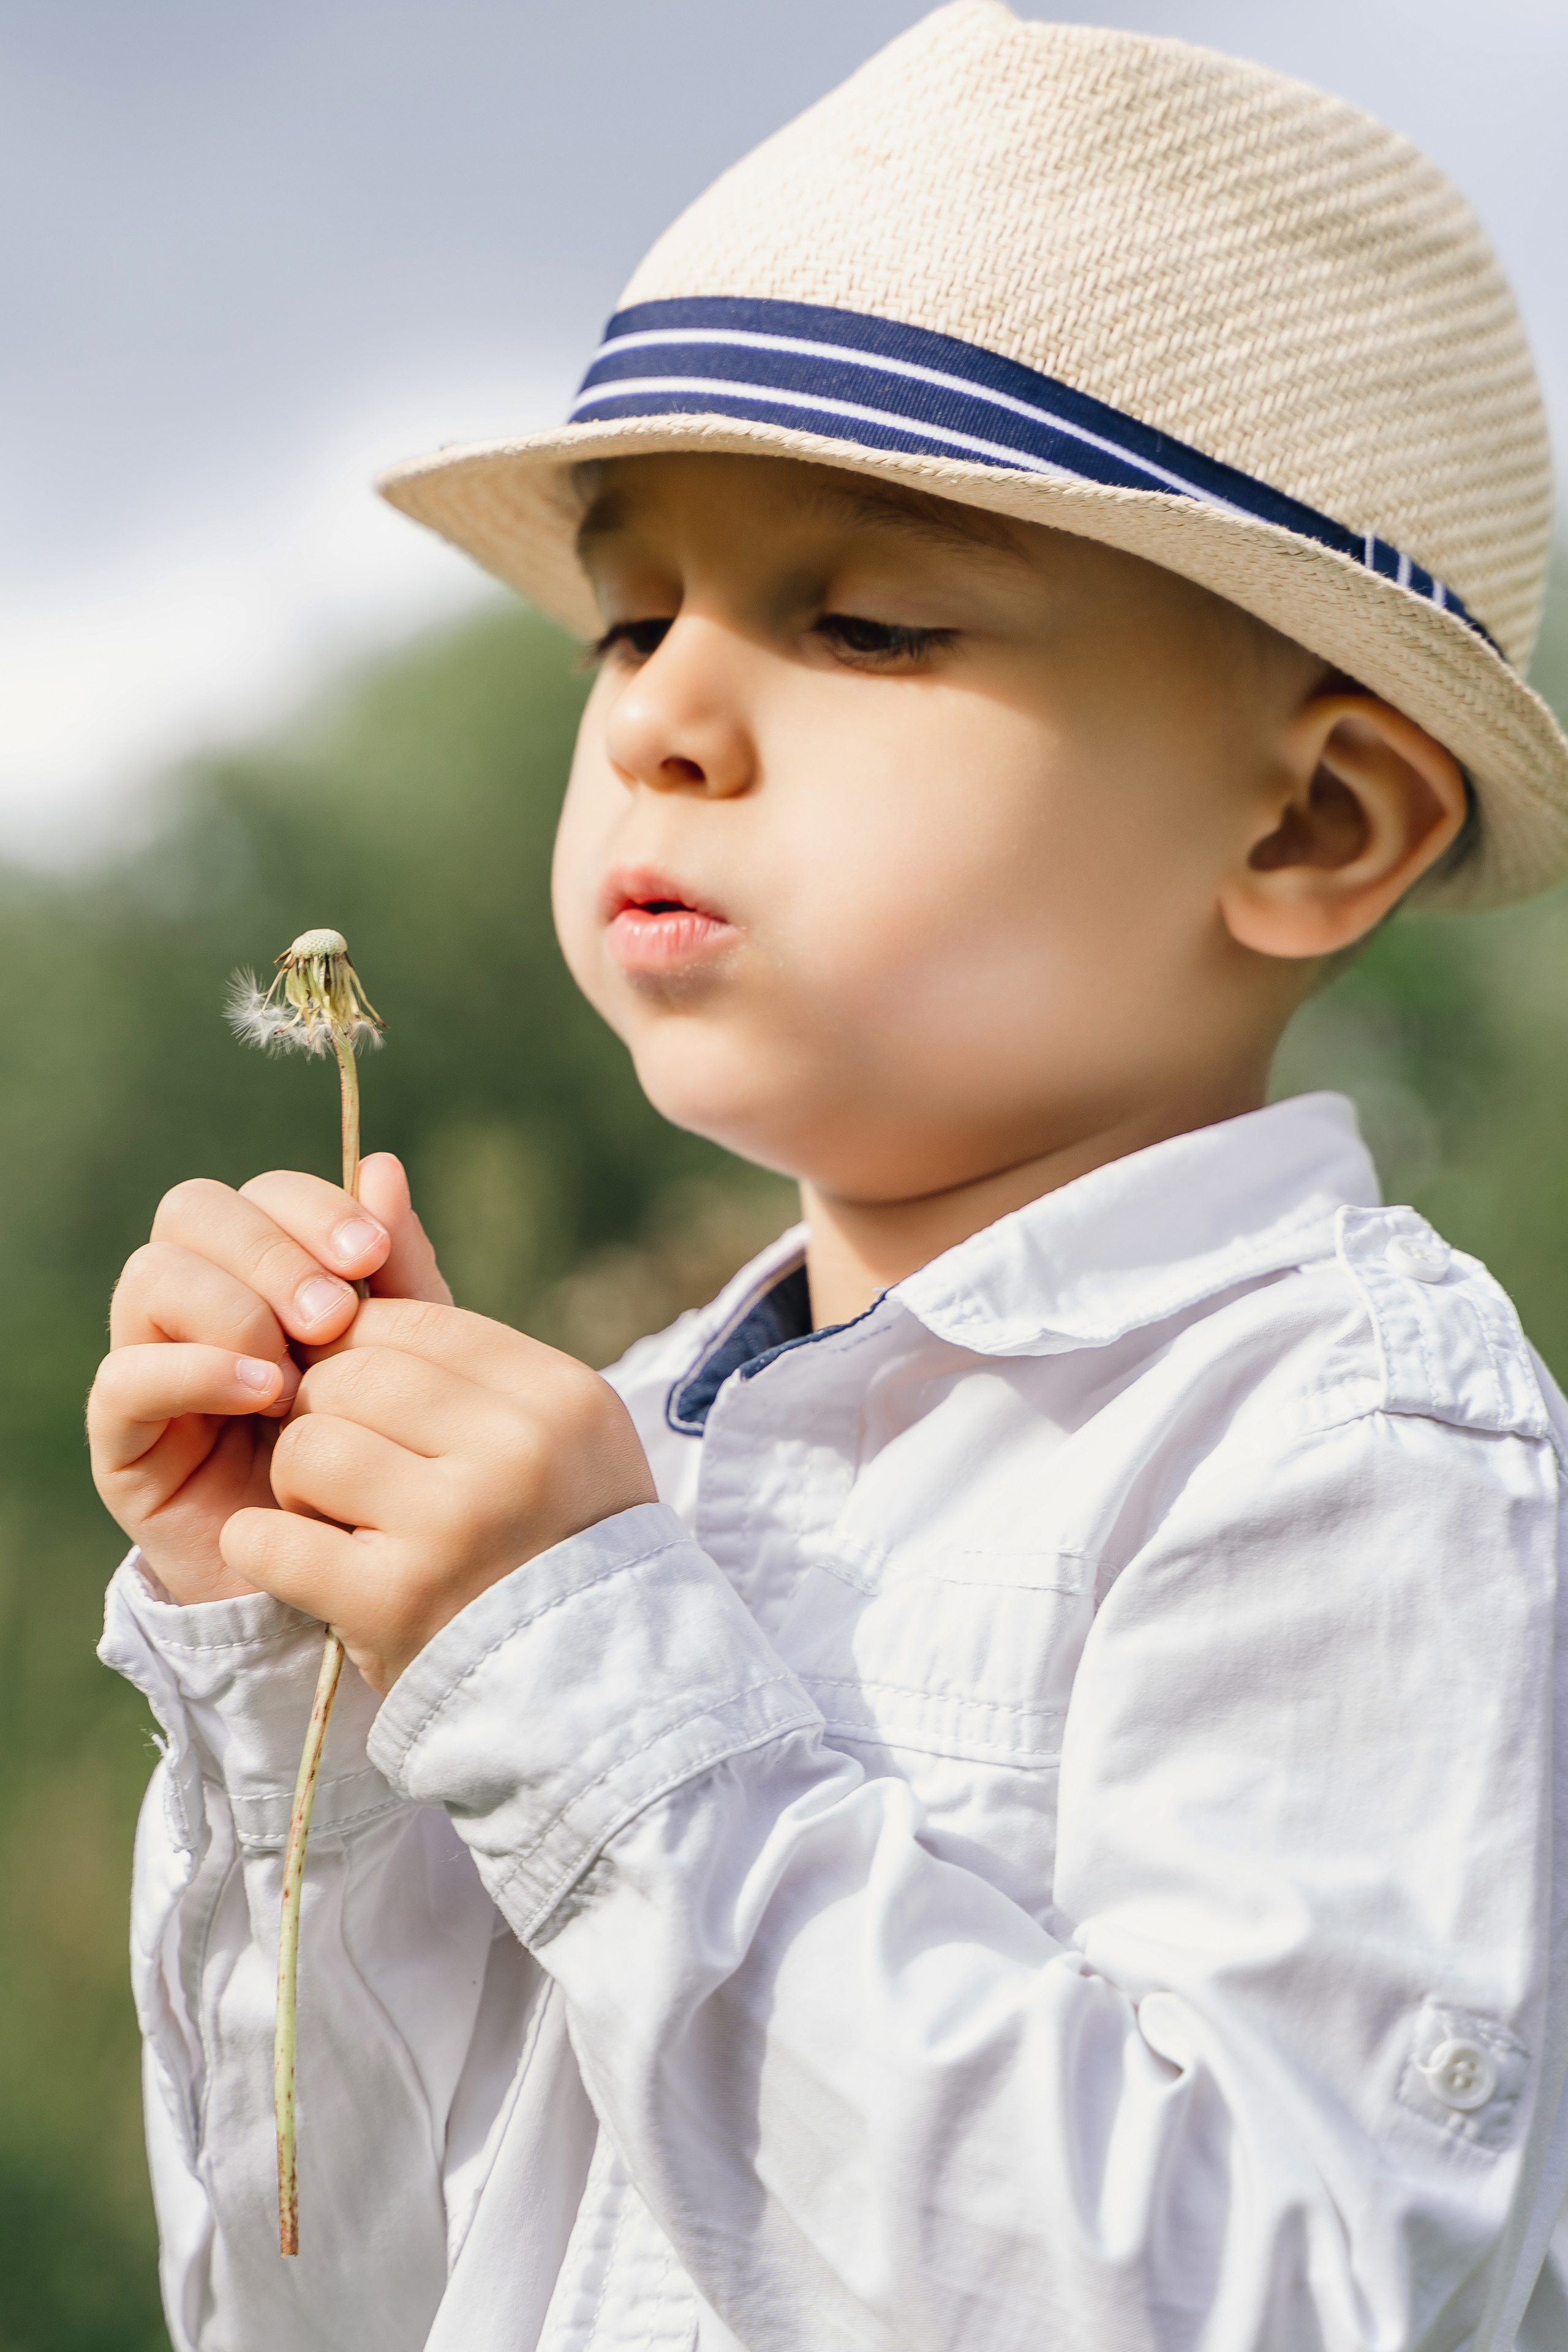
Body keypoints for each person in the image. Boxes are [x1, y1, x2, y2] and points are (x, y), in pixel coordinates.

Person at [89, 6, 1568, 2347]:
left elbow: (1265, 2302)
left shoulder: (1335, 1447)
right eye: (628, 610)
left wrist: (584, 1670)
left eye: (866, 617)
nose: (664, 710)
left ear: (1311, 825)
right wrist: (318, 1678)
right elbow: (323, 2303)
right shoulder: (640, 1434)